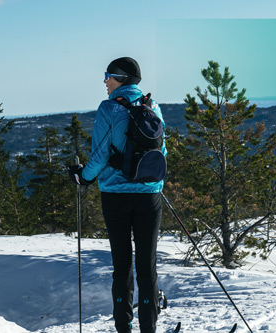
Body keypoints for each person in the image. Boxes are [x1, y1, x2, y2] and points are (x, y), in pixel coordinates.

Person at [69, 57, 165, 333]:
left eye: (108, 76)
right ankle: (150, 328)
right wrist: (150, 182)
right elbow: (162, 152)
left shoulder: (109, 107)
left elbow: (100, 154)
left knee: (122, 265)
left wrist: (83, 177)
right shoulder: (153, 106)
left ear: (120, 78)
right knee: (147, 266)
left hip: (115, 195)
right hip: (149, 195)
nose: (105, 81)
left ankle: (124, 328)